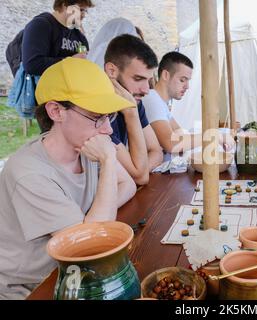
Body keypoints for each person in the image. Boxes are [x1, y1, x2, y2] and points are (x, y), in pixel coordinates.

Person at [0, 58, 137, 299]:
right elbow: (91, 246)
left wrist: (90, 218)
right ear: (56, 111)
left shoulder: (85, 146)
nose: (108, 130)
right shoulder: (29, 173)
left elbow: (128, 184)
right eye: (98, 117)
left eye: (110, 117)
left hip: (73, 276)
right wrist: (107, 163)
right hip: (34, 288)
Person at [142, 51, 232, 156]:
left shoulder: (161, 102)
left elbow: (178, 130)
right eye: (182, 80)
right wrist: (213, 136)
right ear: (166, 75)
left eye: (188, 81)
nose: (187, 86)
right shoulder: (152, 100)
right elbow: (171, 144)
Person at [104, 34, 163, 184]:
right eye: (138, 79)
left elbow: (156, 151)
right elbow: (140, 176)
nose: (146, 90)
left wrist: (139, 171)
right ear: (111, 71)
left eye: (148, 80)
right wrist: (131, 115)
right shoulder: (97, 113)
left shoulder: (134, 101)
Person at [22, 0, 94, 76]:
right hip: (42, 86)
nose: (83, 15)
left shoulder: (79, 36)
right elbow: (32, 65)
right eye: (80, 10)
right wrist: (70, 62)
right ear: (64, 5)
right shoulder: (41, 25)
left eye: (85, 11)